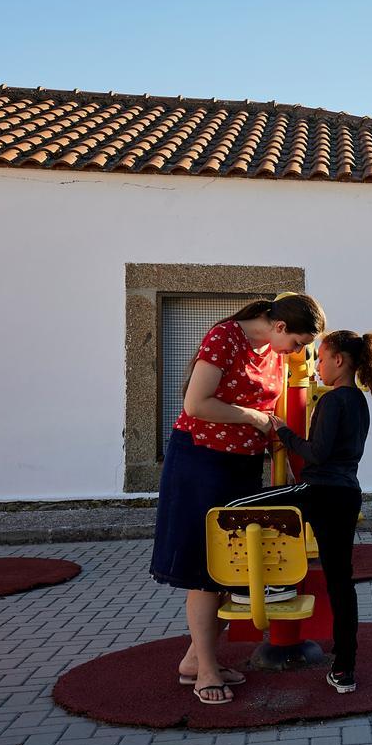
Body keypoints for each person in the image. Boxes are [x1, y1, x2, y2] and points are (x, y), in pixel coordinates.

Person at [150, 293, 326, 706]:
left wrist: (274, 438)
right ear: (280, 326)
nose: (298, 353)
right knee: (205, 567)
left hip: (240, 463)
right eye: (298, 343)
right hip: (201, 459)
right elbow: (196, 403)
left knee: (230, 566)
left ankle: (196, 658)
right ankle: (205, 671)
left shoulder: (272, 351)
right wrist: (255, 418)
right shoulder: (224, 337)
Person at [227, 330, 372, 695]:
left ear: (339, 361)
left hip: (317, 491)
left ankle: (265, 585)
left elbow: (316, 454)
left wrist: (283, 431)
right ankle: (344, 668)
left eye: (320, 358)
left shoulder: (334, 401)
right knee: (341, 582)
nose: (316, 366)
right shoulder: (359, 402)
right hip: (347, 494)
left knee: (233, 510)